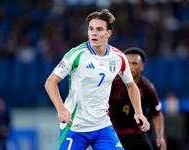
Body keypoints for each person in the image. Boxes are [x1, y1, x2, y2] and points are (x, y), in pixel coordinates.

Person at [45, 9, 150, 150]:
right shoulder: (76, 54)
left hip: (102, 126)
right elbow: (50, 82)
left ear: (109, 33)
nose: (94, 33)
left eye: (99, 29)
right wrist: (61, 109)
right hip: (75, 126)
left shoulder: (118, 58)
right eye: (91, 29)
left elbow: (131, 85)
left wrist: (138, 111)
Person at [109, 47, 166, 150]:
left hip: (136, 135)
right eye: (127, 63)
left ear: (142, 66)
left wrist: (160, 136)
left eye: (134, 63)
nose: (130, 67)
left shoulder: (147, 87)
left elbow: (157, 113)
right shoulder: (111, 82)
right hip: (112, 134)